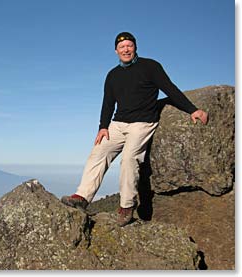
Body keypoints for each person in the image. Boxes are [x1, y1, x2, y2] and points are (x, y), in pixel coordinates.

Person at [61, 32, 208, 227]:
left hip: (142, 123)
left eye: (129, 46)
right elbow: (108, 103)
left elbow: (170, 89)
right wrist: (103, 127)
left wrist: (192, 109)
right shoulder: (113, 75)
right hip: (118, 123)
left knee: (129, 158)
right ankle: (82, 197)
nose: (126, 49)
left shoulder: (150, 67)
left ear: (135, 47)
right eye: (122, 47)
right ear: (116, 51)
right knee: (98, 152)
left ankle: (126, 206)